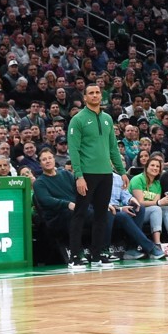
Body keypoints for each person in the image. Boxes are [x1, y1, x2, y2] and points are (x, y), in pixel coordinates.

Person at [66, 84, 127, 270]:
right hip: (87, 174)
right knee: (80, 214)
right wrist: (79, 175)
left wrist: (122, 172)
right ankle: (75, 255)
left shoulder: (108, 118)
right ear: (84, 98)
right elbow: (73, 150)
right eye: (91, 93)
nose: (95, 95)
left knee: (102, 215)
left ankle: (98, 254)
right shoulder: (78, 120)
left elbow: (113, 149)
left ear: (102, 96)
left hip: (106, 174)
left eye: (97, 92)